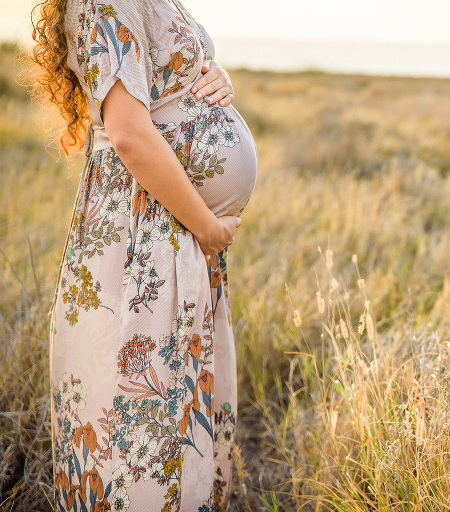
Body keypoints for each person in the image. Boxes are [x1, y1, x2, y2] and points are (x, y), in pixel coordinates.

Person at [31, 0, 258, 509]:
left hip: (174, 233)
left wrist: (213, 76)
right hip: (144, 234)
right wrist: (205, 226)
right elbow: (129, 134)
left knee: (173, 424)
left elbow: (164, 80)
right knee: (138, 436)